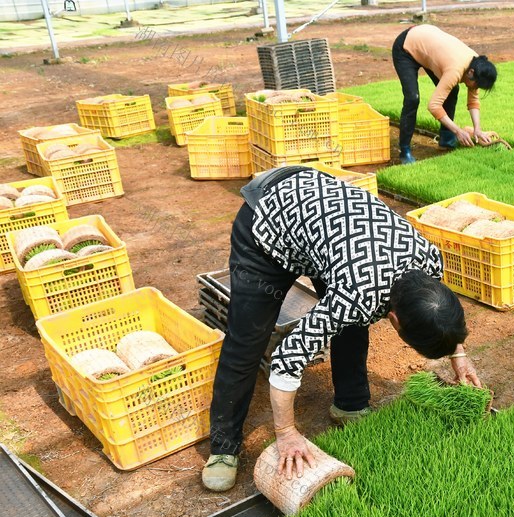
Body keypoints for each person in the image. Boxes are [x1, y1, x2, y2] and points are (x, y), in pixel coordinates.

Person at [202, 166, 482, 492]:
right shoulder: (357, 292)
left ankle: (350, 404)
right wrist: (287, 433)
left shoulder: (430, 261)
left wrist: (458, 354)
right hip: (268, 221)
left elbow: (439, 314)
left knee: (351, 320)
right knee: (247, 338)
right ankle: (223, 448)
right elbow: (288, 357)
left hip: (331, 235)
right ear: (395, 321)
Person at [392, 24, 498, 165]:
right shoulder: (456, 69)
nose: (475, 88)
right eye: (477, 85)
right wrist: (457, 130)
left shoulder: (478, 65)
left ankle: (446, 140)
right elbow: (434, 106)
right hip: (407, 46)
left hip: (428, 45)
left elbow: (473, 100)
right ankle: (405, 150)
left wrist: (478, 130)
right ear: (471, 73)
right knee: (412, 98)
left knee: (452, 91)